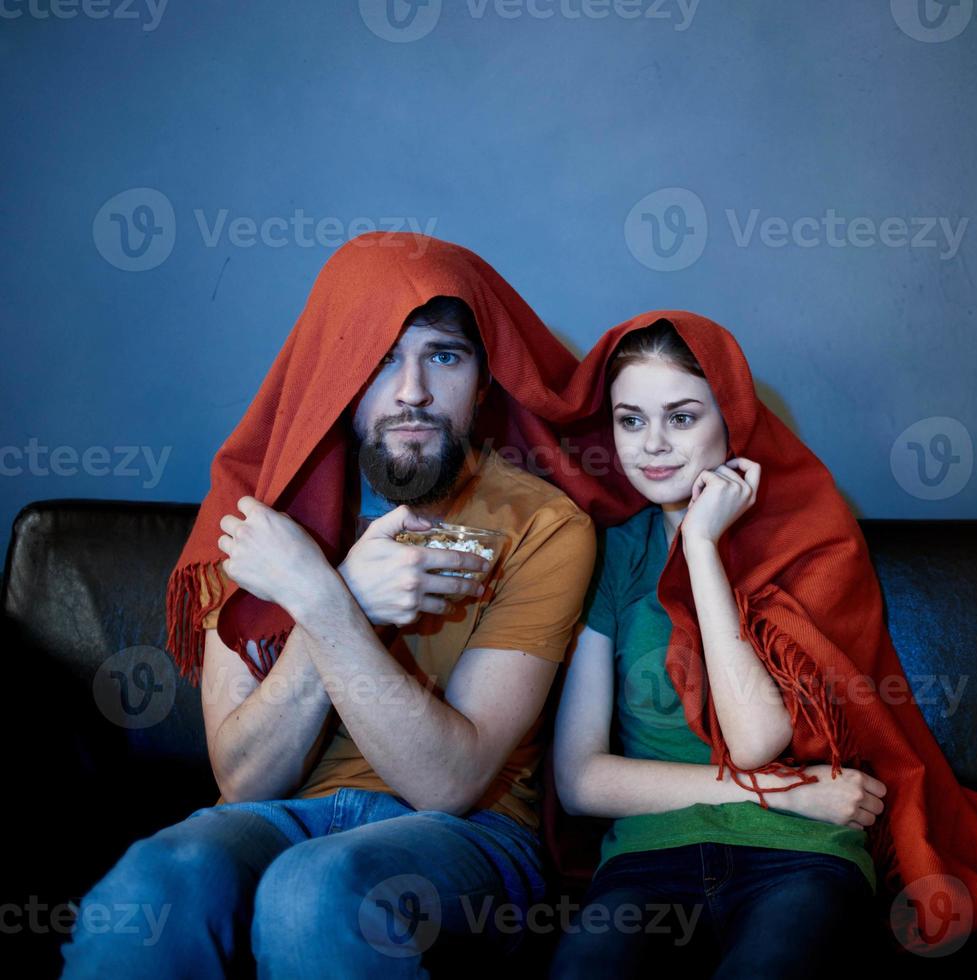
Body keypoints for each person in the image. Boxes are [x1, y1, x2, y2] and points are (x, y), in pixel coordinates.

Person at [60, 234, 607, 977]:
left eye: (443, 356)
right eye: (381, 357)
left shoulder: (542, 526)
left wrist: (322, 598)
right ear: (336, 376)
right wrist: (346, 592)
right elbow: (244, 780)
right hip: (276, 816)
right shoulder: (258, 522)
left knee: (315, 891)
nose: (411, 389)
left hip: (466, 835)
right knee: (156, 880)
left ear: (482, 383)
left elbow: (448, 783)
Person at [542, 313, 977, 975]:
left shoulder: (808, 541)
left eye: (681, 416)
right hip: (649, 858)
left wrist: (699, 548)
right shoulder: (612, 553)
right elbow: (580, 779)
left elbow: (755, 739)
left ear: (729, 419)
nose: (653, 446)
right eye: (630, 420)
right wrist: (779, 793)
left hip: (797, 855)